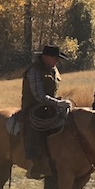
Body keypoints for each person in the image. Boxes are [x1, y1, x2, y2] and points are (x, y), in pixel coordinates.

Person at [20, 44, 72, 179]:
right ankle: (34, 164)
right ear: (45, 57)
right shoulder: (34, 71)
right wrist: (57, 103)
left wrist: (58, 102)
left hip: (49, 105)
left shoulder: (53, 69)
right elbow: (39, 96)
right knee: (37, 127)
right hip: (34, 107)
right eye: (55, 58)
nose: (57, 61)